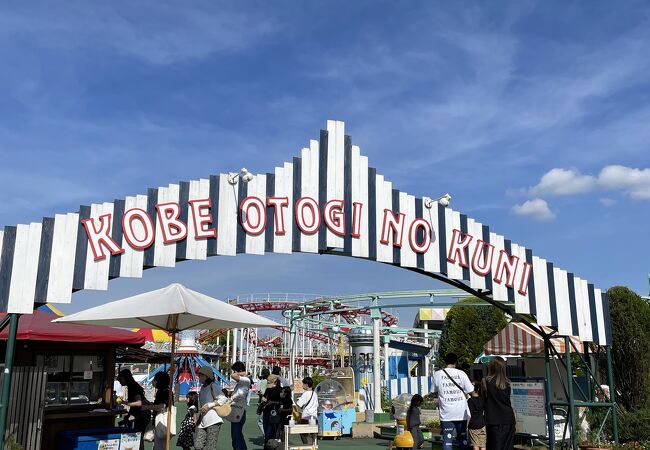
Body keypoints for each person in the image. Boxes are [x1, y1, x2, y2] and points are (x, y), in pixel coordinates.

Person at [432, 353, 473, 450]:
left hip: (446, 413)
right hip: (461, 412)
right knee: (462, 438)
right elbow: (470, 390)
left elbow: (433, 391)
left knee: (447, 439)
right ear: (456, 362)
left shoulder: (437, 374)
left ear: (445, 361)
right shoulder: (461, 374)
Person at [481, 357, 515, 450]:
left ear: (491, 367)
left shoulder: (485, 381)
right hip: (508, 419)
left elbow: (483, 401)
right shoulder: (507, 383)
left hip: (493, 420)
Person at [118, 368, 150, 450]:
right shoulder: (132, 385)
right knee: (138, 435)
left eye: (120, 379)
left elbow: (139, 402)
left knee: (138, 435)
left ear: (124, 378)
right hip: (141, 413)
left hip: (141, 413)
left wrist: (126, 403)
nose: (120, 381)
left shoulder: (133, 386)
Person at [195, 365, 224, 450]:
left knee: (211, 446)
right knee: (198, 445)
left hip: (213, 420)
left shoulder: (213, 386)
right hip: (203, 420)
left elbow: (223, 398)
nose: (199, 377)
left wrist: (209, 405)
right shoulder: (202, 388)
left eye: (201, 375)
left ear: (206, 376)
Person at [229, 361, 251, 450]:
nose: (234, 373)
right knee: (238, 434)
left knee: (235, 435)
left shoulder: (245, 379)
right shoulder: (244, 380)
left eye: (235, 370)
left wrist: (243, 373)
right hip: (238, 410)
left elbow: (232, 376)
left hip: (239, 411)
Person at [151, 371, 171, 450]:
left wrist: (148, 407)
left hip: (163, 422)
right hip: (159, 422)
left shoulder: (165, 392)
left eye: (155, 380)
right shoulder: (160, 391)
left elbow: (163, 406)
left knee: (160, 445)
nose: (154, 382)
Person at [295, 377, 319, 444]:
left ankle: (306, 445)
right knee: (314, 434)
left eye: (303, 384)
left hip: (306, 416)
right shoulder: (315, 394)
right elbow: (317, 405)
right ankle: (315, 447)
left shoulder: (305, 394)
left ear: (306, 385)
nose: (302, 385)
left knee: (302, 433)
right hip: (314, 416)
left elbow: (299, 404)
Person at [261, 374, 282, 444]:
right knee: (266, 432)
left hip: (274, 413)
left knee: (271, 433)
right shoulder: (268, 389)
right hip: (266, 411)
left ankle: (270, 446)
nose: (269, 384)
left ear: (275, 381)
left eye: (270, 382)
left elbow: (282, 402)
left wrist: (272, 402)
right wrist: (263, 399)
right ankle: (268, 445)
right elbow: (264, 397)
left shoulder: (280, 390)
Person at [467, 382, 486, 450]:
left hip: (473, 425)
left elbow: (469, 415)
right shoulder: (482, 399)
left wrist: (466, 426)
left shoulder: (470, 401)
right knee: (483, 445)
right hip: (482, 424)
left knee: (475, 445)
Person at [257, 368, 271, 434]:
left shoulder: (262, 382)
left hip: (265, 403)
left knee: (261, 422)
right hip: (273, 403)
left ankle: (266, 435)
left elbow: (261, 393)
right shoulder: (272, 382)